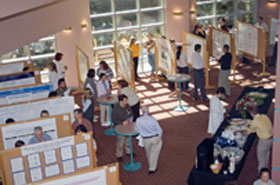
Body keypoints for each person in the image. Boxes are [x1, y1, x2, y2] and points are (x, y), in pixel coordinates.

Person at [135, 106, 162, 174]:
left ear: (142, 112)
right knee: (154, 153)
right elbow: (160, 130)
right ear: (148, 111)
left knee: (148, 152)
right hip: (155, 137)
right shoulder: (153, 119)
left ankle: (151, 164)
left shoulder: (138, 120)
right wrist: (159, 137)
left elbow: (137, 130)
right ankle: (152, 168)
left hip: (145, 139)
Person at [248, 107, 273, 172]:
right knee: (266, 154)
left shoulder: (255, 121)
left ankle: (261, 173)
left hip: (264, 141)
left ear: (251, 114)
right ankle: (266, 169)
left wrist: (245, 132)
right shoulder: (264, 116)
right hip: (271, 139)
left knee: (261, 158)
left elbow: (251, 130)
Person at [112, 94, 134, 162]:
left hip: (127, 126)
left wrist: (131, 118)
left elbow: (131, 113)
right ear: (120, 101)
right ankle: (119, 155)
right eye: (125, 100)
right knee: (120, 142)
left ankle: (128, 152)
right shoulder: (115, 109)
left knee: (128, 140)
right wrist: (121, 123)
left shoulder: (127, 106)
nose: (126, 102)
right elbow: (114, 120)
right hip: (119, 127)